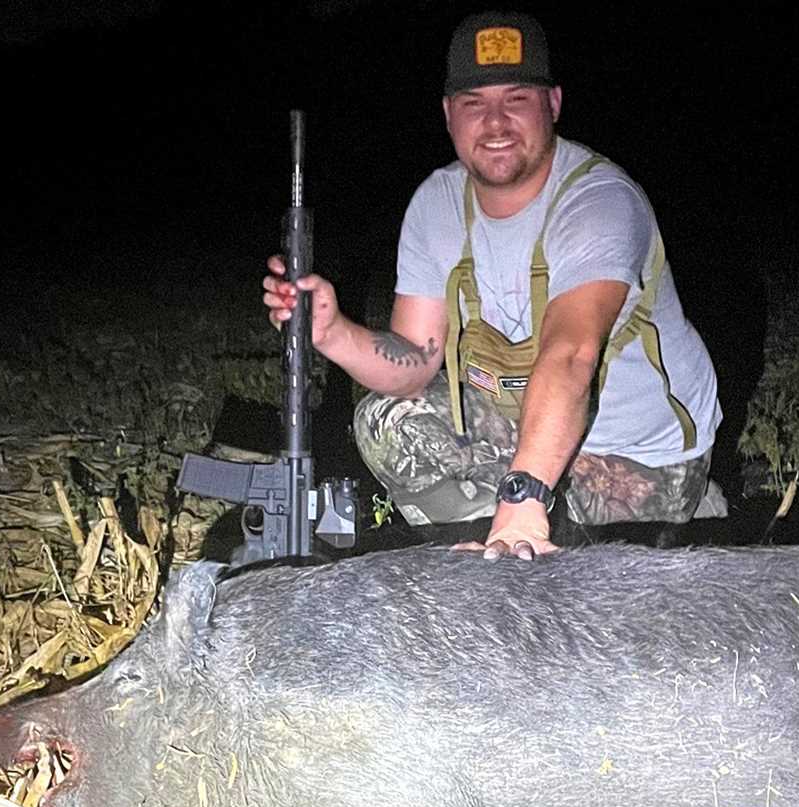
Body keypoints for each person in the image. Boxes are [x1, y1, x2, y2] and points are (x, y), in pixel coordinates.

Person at [263, 10, 724, 560]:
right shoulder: (436, 203)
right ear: (448, 114)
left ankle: (575, 525)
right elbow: (413, 366)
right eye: (474, 104)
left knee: (578, 557)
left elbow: (571, 355)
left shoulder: (599, 200)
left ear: (552, 104)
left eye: (517, 100)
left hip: (638, 456)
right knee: (386, 420)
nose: (496, 122)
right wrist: (333, 332)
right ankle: (502, 543)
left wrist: (523, 496)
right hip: (521, 425)